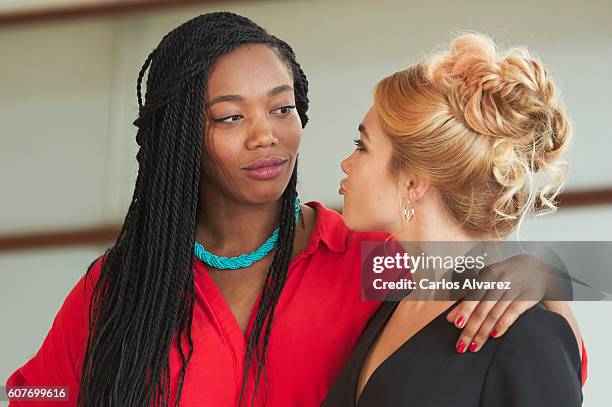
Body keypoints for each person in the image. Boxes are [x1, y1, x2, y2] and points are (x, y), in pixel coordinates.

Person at [6, 14, 585, 407]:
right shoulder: (126, 284)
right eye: (231, 117)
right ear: (180, 139)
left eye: (283, 109)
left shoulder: (368, 263)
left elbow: (533, 356)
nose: (268, 136)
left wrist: (547, 269)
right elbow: (34, 394)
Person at [323, 32, 583, 406]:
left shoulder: (525, 333)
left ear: (414, 181)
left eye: (361, 146)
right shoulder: (388, 304)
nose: (346, 164)